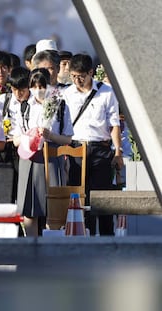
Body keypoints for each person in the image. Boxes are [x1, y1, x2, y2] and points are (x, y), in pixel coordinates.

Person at [63, 53, 123, 236]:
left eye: (81, 76)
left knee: (102, 198)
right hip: (75, 148)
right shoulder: (67, 93)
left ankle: (106, 239)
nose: (77, 80)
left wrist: (118, 151)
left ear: (90, 73)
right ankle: (83, 236)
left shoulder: (106, 92)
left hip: (100, 149)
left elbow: (114, 124)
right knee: (79, 197)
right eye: (73, 76)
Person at [12, 68, 73, 236]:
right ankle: (31, 246)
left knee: (53, 209)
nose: (38, 89)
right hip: (30, 158)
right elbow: (15, 139)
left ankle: (52, 247)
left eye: (42, 85)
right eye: (34, 85)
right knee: (30, 208)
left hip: (53, 157)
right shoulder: (24, 107)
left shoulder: (60, 105)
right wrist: (29, 136)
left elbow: (68, 139)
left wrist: (50, 135)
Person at [0, 66, 30, 201]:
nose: (18, 94)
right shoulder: (3, 100)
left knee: (23, 187)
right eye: (14, 90)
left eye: (22, 90)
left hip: (27, 148)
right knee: (7, 186)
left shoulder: (34, 102)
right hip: (7, 146)